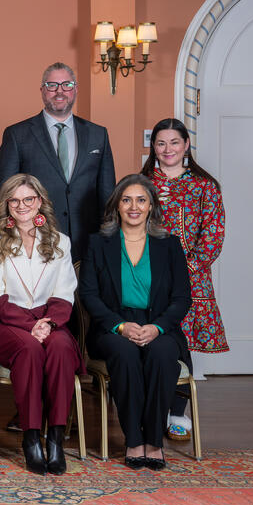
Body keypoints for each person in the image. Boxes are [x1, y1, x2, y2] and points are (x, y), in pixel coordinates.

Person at [80, 174, 191, 470]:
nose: (134, 207)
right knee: (126, 353)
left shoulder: (169, 245)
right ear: (116, 205)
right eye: (126, 200)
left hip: (159, 325)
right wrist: (120, 326)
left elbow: (182, 298)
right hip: (112, 326)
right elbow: (89, 295)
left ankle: (154, 441)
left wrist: (157, 328)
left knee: (162, 354)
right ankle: (134, 439)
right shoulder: (98, 243)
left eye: (141, 200)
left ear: (151, 205)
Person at [0, 174, 80, 475]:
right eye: (14, 200)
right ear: (6, 205)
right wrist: (30, 326)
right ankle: (31, 436)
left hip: (50, 320)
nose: (22, 206)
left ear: (40, 202)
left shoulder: (60, 242)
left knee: (61, 348)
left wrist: (48, 324)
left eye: (28, 199)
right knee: (29, 349)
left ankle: (56, 438)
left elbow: (64, 292)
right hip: (5, 321)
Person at [141, 118, 225, 442]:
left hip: (190, 279)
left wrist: (183, 270)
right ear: (153, 146)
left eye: (174, 142)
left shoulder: (205, 186)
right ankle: (154, 409)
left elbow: (213, 236)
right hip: (144, 278)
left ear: (186, 144)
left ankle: (177, 411)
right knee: (150, 341)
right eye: (161, 143)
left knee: (181, 343)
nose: (168, 149)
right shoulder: (142, 184)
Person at [0, 62, 115, 262]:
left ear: (75, 89)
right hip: (35, 240)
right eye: (52, 85)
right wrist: (9, 240)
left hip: (89, 241)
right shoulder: (17, 135)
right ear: (42, 90)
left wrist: (109, 239)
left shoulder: (98, 134)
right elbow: (3, 194)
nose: (60, 91)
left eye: (67, 85)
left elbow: (107, 193)